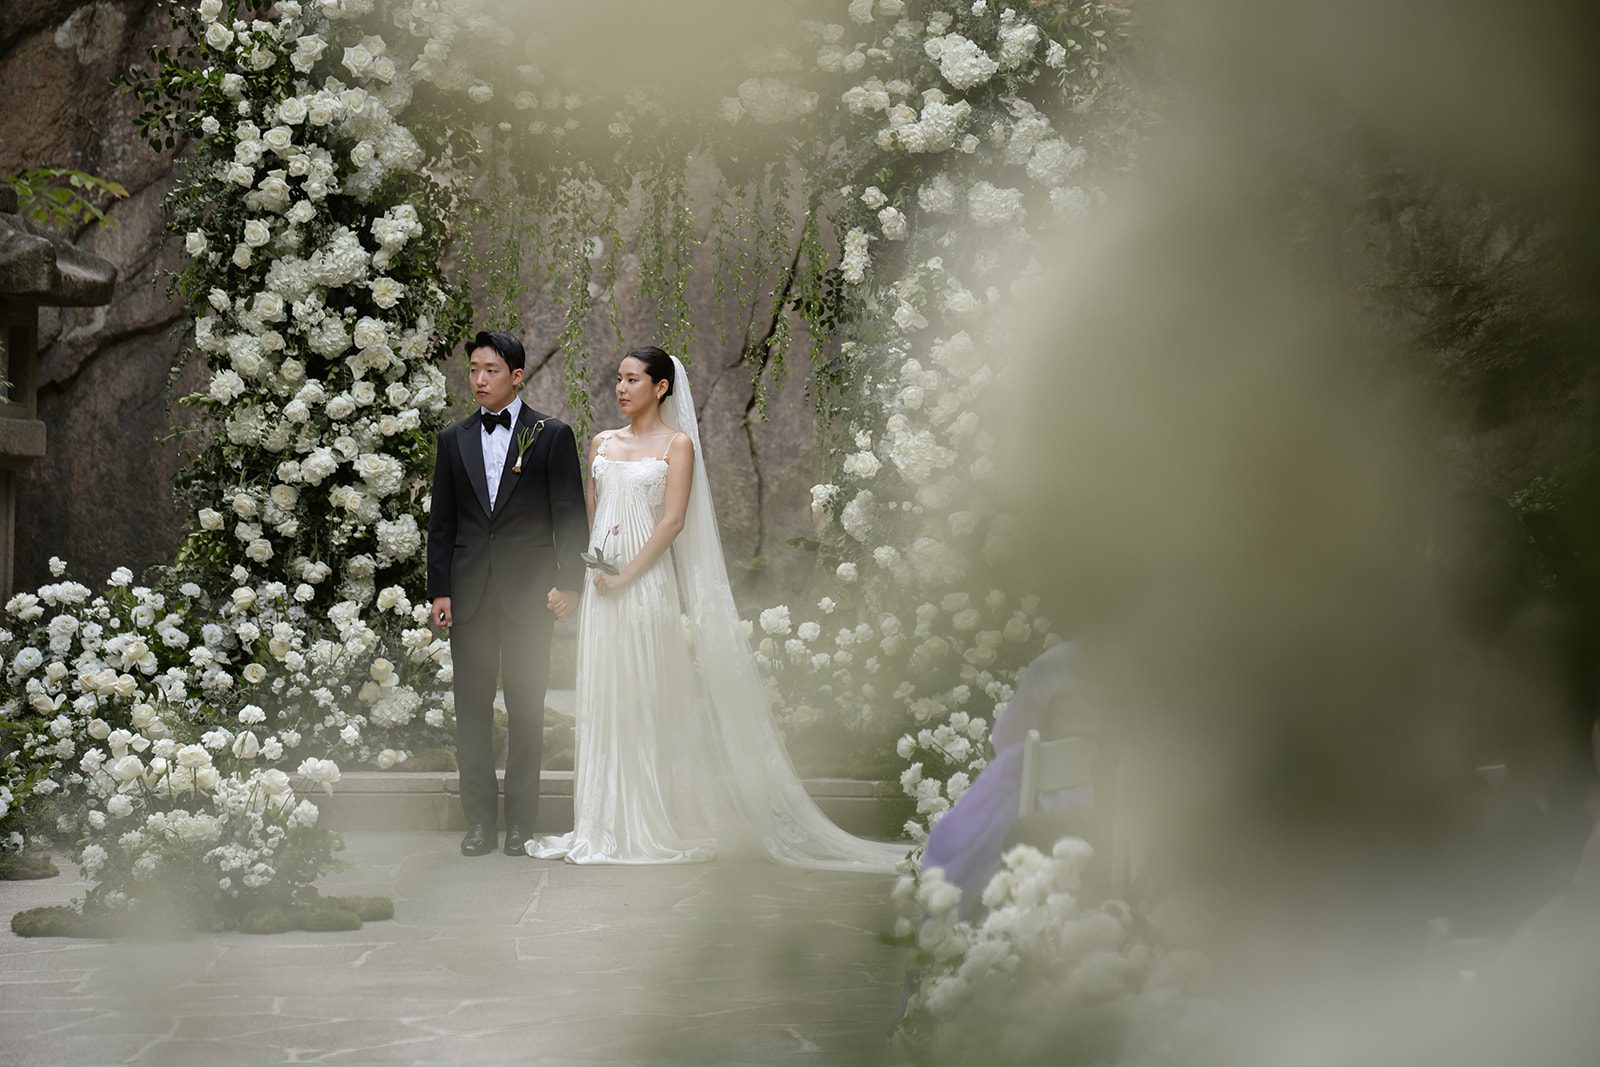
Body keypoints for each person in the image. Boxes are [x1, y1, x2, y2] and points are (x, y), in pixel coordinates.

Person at [528, 346, 906, 870]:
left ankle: (650, 819)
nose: (621, 387)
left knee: (644, 694)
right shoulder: (601, 442)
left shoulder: (677, 445)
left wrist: (629, 573)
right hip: (602, 582)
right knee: (605, 693)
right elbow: (593, 512)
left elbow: (673, 522)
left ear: (661, 387)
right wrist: (593, 570)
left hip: (645, 584)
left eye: (633, 379)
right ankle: (602, 822)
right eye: (618, 378)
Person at [427, 330, 588, 857]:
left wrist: (570, 582)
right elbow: (443, 521)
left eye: (490, 370)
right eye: (473, 369)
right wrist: (440, 590)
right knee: (470, 711)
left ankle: (520, 823)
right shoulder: (453, 440)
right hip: (469, 597)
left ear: (516, 376)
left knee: (526, 710)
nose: (479, 379)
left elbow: (569, 514)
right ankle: (480, 824)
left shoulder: (551, 434)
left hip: (528, 599)